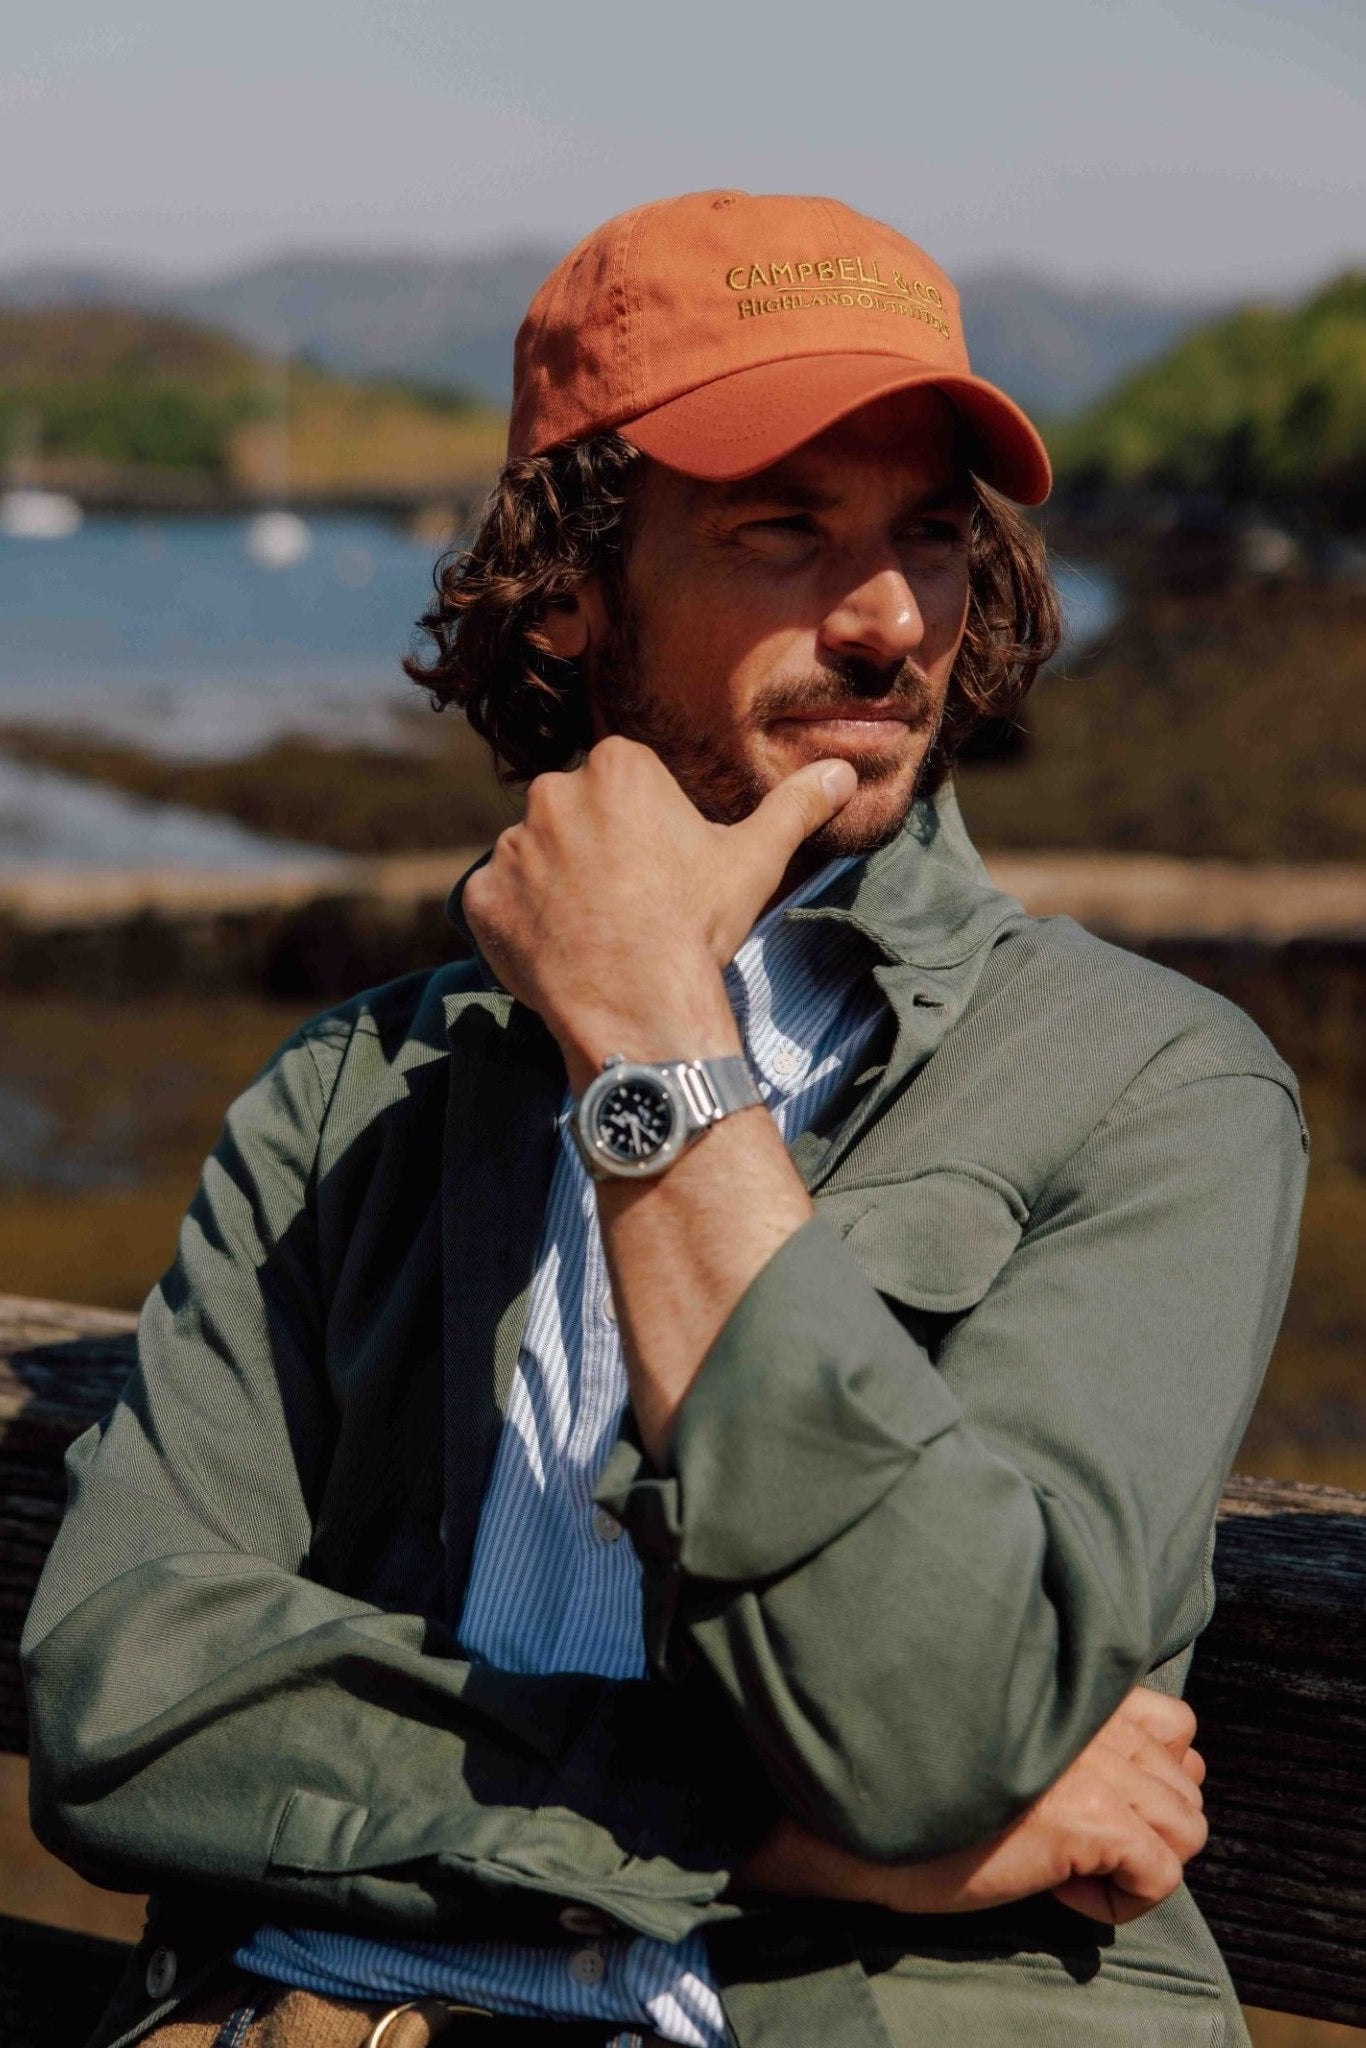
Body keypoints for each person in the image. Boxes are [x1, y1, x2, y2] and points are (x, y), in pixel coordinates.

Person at [23, 190, 1306, 2048]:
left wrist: (646, 1044)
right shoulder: (344, 1099)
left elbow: (929, 1734)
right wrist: (734, 1833)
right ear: (569, 580)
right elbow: (117, 1699)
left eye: (931, 539)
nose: (885, 622)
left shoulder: (1151, 1085)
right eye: (784, 533)